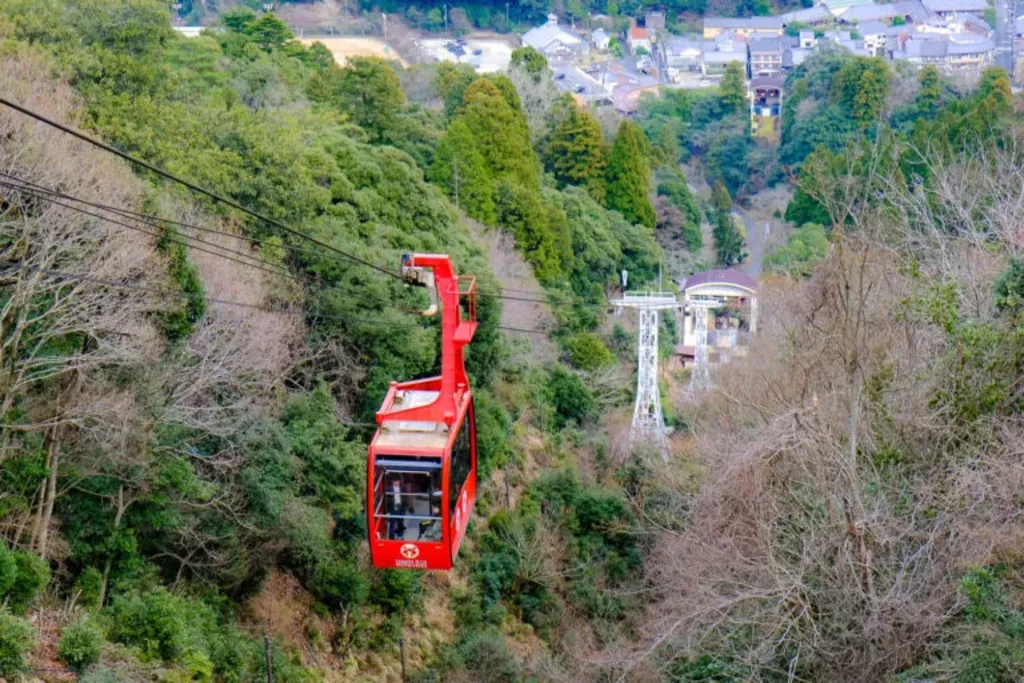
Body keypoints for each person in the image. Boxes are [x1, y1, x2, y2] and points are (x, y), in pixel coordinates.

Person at [386, 475, 406, 540]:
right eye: (395, 481)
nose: (397, 483)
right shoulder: (388, 488)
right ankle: (391, 539)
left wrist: (405, 507)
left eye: (398, 481)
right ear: (392, 481)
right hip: (392, 508)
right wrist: (387, 511)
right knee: (392, 523)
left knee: (401, 522)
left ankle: (401, 537)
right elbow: (386, 501)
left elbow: (405, 498)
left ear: (400, 481)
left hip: (401, 508)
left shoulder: (403, 488)